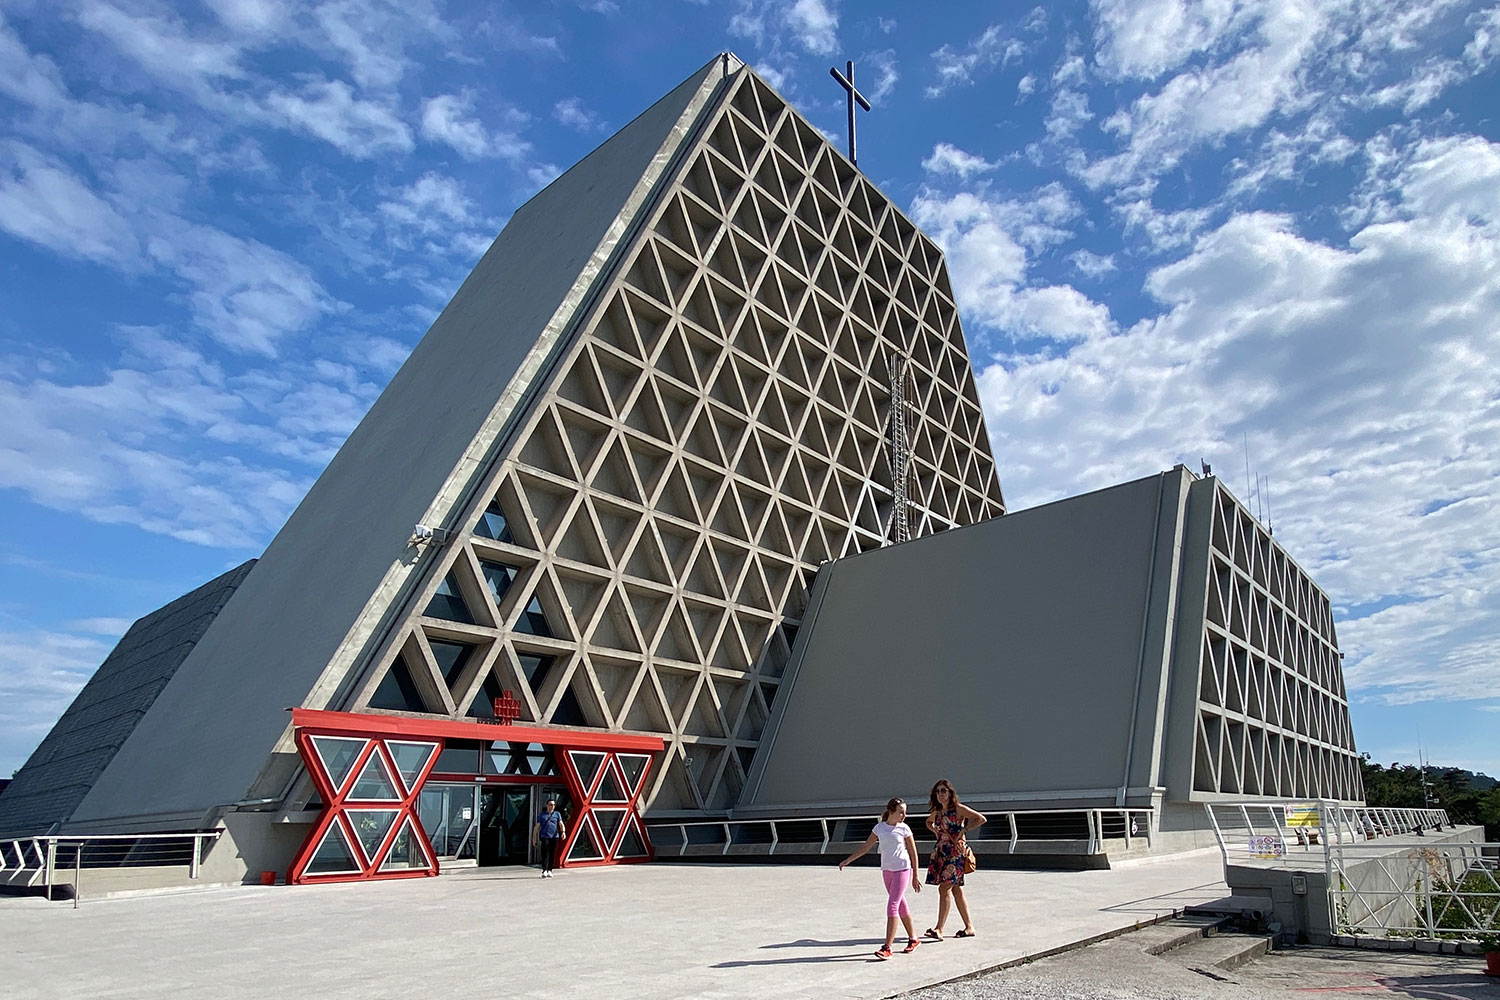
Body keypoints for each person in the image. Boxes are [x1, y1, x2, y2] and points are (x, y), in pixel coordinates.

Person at [839, 797, 923, 960]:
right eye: (901, 812)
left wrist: (915, 875)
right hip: (887, 870)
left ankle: (887, 947)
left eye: (905, 813)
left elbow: (913, 853)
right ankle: (914, 938)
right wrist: (848, 860)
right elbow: (866, 847)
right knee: (900, 904)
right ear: (892, 812)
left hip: (902, 869)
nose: (903, 816)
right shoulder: (880, 828)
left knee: (892, 905)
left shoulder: (904, 829)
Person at [923, 779, 986, 940]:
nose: (940, 794)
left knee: (944, 889)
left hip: (955, 853)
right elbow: (928, 822)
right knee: (956, 890)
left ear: (950, 793)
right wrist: (936, 831)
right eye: (938, 791)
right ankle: (969, 926)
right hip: (941, 852)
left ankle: (939, 928)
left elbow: (980, 818)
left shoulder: (958, 809)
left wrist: (964, 829)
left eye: (943, 791)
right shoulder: (938, 812)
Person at [532, 798, 566, 878]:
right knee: (545, 853)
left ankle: (550, 870)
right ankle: (544, 870)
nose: (552, 806)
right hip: (545, 836)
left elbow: (561, 824)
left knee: (552, 853)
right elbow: (537, 827)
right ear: (547, 805)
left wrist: (563, 832)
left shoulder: (557, 814)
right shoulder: (542, 815)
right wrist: (534, 838)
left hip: (554, 836)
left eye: (554, 805)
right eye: (551, 804)